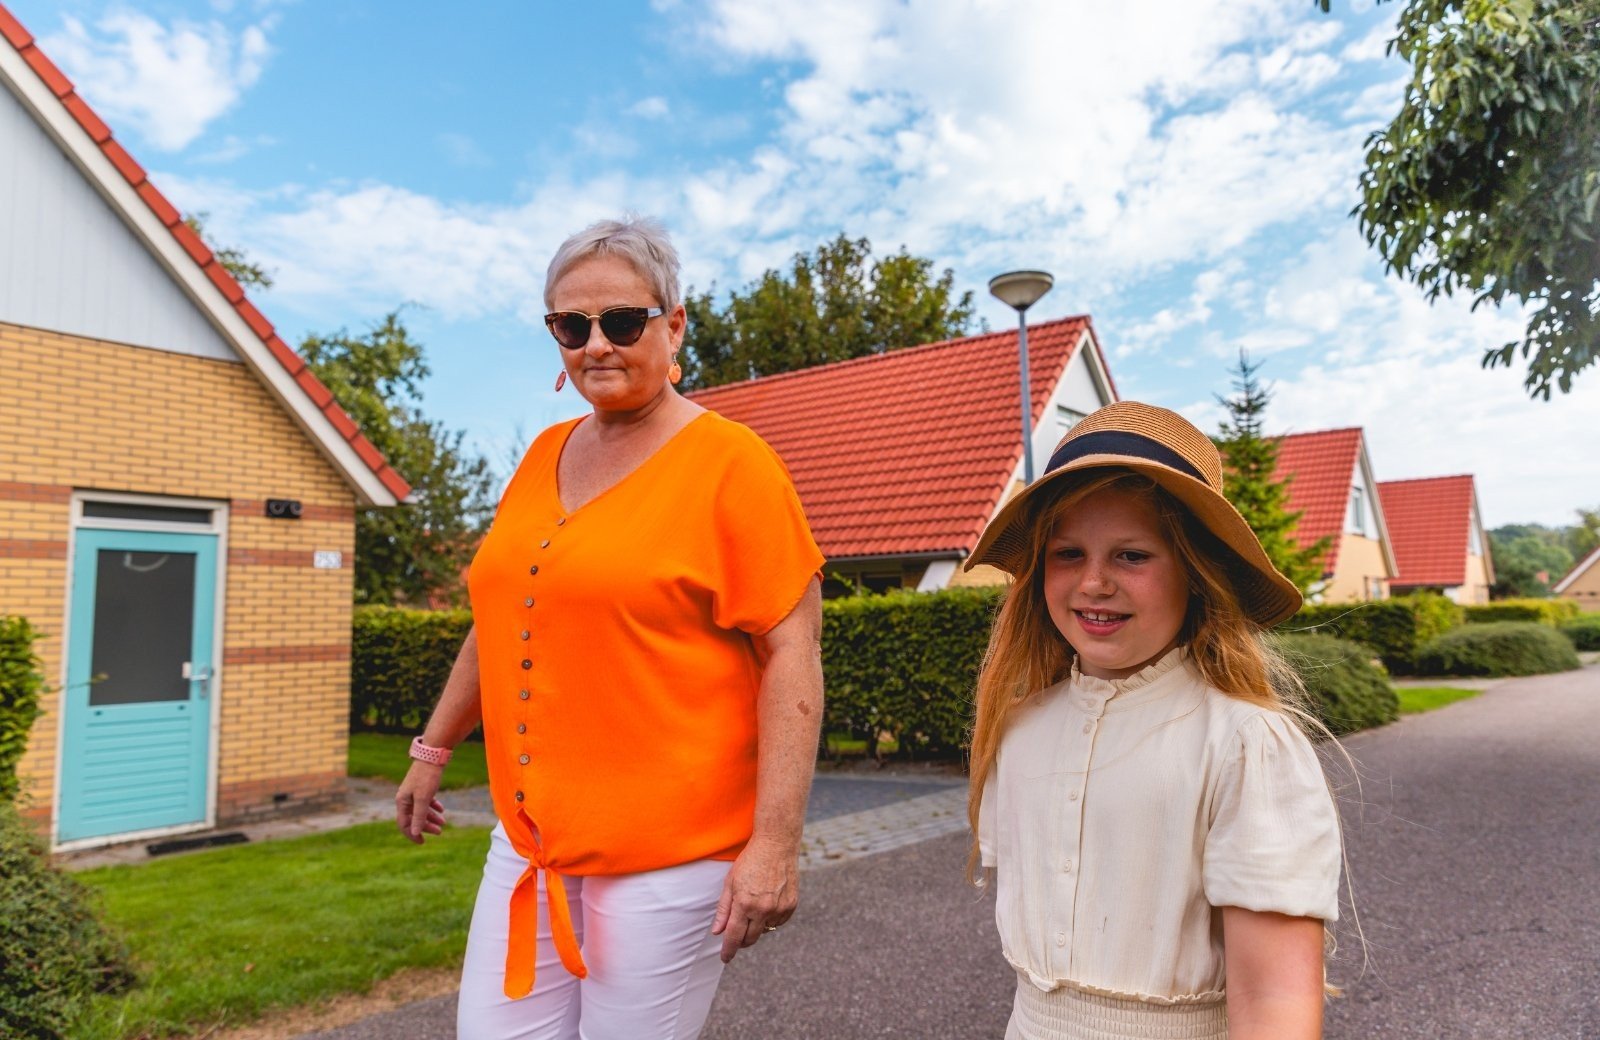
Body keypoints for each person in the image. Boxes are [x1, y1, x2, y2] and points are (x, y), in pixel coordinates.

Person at [393, 215, 825, 1040]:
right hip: (533, 846)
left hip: (672, 859)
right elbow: (501, 618)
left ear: (674, 325)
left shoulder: (734, 466)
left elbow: (792, 655)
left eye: (622, 322)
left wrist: (774, 846)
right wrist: (432, 750)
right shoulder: (541, 455)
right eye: (570, 325)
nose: (597, 344)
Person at [965, 401, 1342, 1040]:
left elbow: (1276, 997)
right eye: (1067, 554)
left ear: (1197, 574)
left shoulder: (1245, 743)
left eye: (1132, 556)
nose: (1093, 583)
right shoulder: (1022, 727)